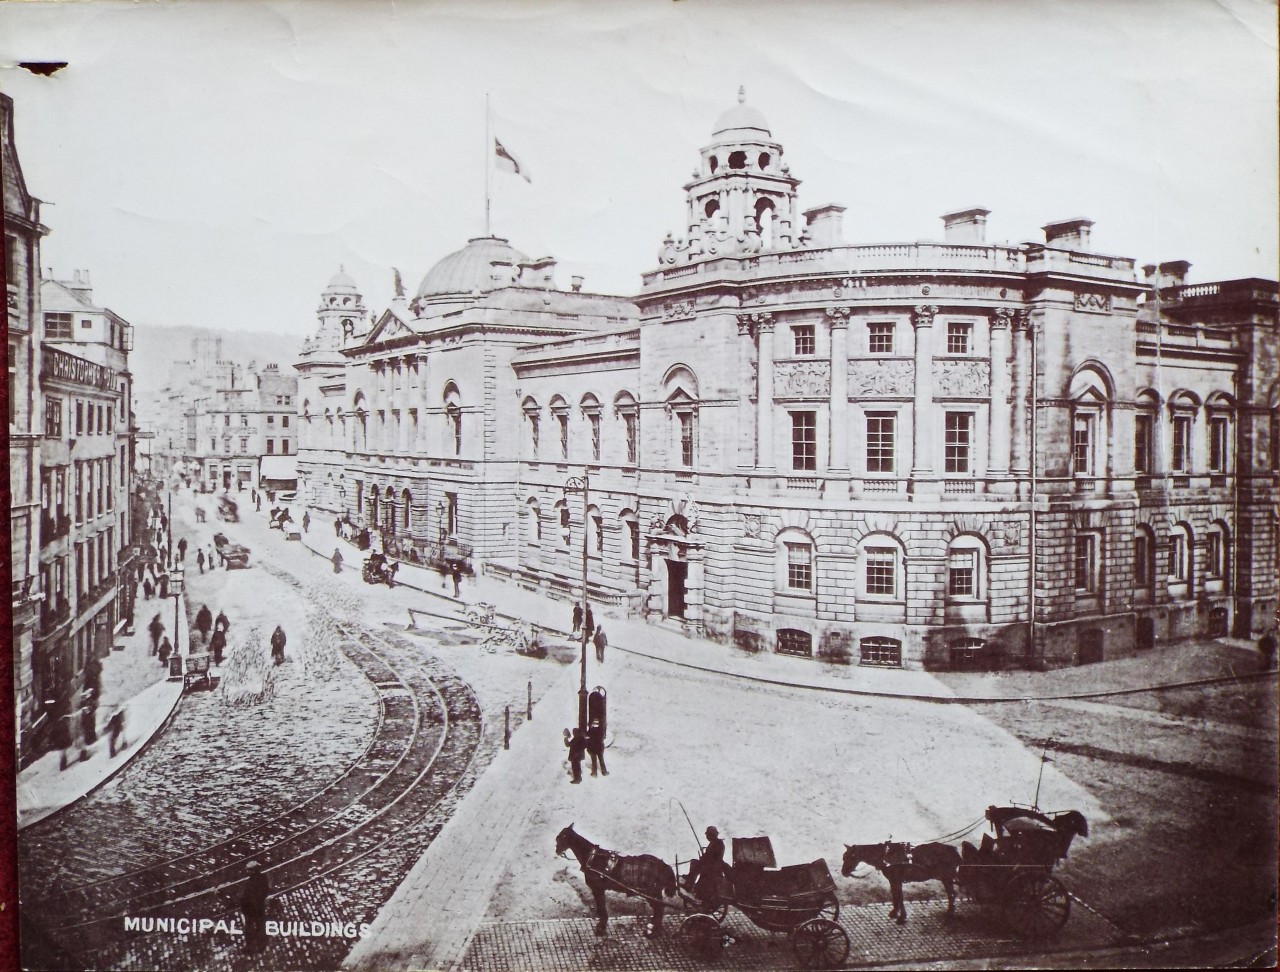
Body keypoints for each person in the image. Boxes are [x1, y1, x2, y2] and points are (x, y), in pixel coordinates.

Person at [240, 861, 270, 953]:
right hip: (258, 906)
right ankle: (260, 946)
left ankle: (250, 946)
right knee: (259, 926)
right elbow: (265, 891)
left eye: (249, 870)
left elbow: (247, 895)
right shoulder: (263, 878)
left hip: (252, 907)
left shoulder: (250, 881)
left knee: (250, 927)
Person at [695, 826, 727, 907]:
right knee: (695, 863)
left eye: (708, 835)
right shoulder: (714, 842)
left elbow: (712, 857)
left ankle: (690, 884)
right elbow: (709, 855)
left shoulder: (717, 843)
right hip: (712, 865)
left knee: (696, 864)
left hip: (714, 867)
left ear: (712, 835)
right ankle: (690, 882)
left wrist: (703, 857)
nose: (707, 837)